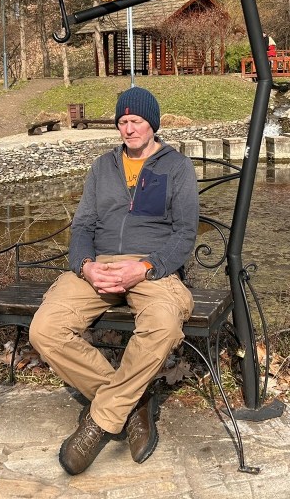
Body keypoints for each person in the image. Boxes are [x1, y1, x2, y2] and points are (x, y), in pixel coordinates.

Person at [29, 87, 199, 475]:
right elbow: (83, 225)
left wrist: (143, 267)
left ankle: (100, 421)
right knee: (45, 329)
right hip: (99, 267)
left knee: (163, 324)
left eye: (135, 120)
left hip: (152, 269)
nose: (127, 128)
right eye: (122, 121)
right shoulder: (102, 167)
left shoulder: (176, 167)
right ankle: (132, 402)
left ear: (151, 123)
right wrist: (85, 265)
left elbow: (185, 235)